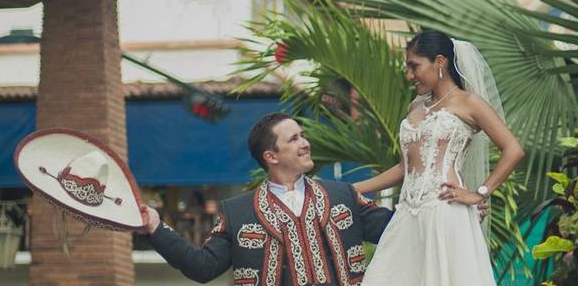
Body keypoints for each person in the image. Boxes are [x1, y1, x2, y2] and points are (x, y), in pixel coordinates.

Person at [140, 112, 392, 286]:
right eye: (294, 139)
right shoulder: (238, 212)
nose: (305, 143)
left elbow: (397, 230)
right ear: (271, 156)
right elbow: (203, 267)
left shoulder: (342, 196)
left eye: (302, 135)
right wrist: (155, 228)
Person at [355, 30, 525, 286]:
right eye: (407, 67)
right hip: (406, 214)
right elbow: (404, 168)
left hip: (446, 212)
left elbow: (513, 149)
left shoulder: (469, 103)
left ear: (440, 62)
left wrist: (479, 193)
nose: (409, 75)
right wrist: (351, 189)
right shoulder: (415, 107)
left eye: (414, 66)